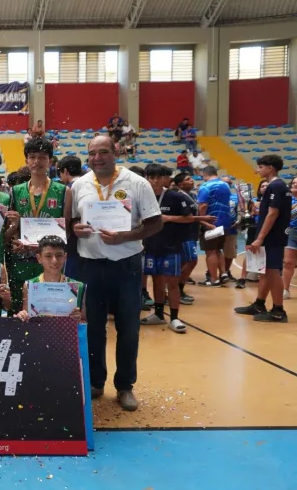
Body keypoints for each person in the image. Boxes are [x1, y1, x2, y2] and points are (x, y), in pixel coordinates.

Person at [71, 134, 162, 411]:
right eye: (92, 153)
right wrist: (76, 227)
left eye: (103, 152)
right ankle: (96, 382)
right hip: (91, 265)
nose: (97, 158)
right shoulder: (79, 185)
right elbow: (74, 219)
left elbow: (155, 223)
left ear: (116, 152)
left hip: (126, 266)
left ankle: (125, 386)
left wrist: (126, 236)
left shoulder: (137, 183)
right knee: (94, 328)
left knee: (129, 329)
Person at [140, 164, 212, 334]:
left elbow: (189, 218)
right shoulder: (143, 197)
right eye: (151, 177)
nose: (155, 180)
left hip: (171, 246)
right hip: (150, 246)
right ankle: (158, 314)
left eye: (159, 177)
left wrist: (167, 218)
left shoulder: (175, 196)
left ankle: (174, 317)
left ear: (166, 178)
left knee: (171, 282)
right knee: (156, 281)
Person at [5, 138, 70, 314]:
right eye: (32, 157)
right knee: (21, 312)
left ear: (50, 160)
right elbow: (11, 231)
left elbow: (67, 230)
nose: (37, 162)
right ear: (26, 160)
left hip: (51, 261)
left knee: (51, 310)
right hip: (22, 260)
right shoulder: (16, 191)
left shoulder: (63, 191)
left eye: (42, 157)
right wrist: (14, 239)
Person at [235, 155, 290, 322]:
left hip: (273, 237)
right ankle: (259, 304)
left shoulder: (276, 186)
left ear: (270, 168)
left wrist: (259, 238)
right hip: (273, 235)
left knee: (273, 272)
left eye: (260, 167)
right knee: (265, 272)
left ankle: (278, 311)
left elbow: (273, 213)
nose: (257, 170)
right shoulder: (278, 186)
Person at [15, 235, 84, 321]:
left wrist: (78, 318)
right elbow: (26, 318)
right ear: (39, 258)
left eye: (59, 255)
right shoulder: (29, 286)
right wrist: (22, 315)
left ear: (65, 257)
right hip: (38, 333)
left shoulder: (79, 287)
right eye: (48, 256)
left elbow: (84, 321)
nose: (54, 261)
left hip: (66, 333)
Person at [197, 166, 232, 287]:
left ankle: (214, 279)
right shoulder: (226, 185)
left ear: (204, 174)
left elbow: (202, 206)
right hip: (225, 222)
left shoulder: (205, 186)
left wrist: (201, 220)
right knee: (218, 249)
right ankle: (223, 274)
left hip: (211, 223)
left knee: (210, 252)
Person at [236, 179, 268, 289]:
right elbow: (248, 214)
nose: (264, 187)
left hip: (268, 229)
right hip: (254, 228)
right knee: (250, 251)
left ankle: (263, 278)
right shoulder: (252, 200)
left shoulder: (274, 200)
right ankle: (242, 278)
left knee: (266, 253)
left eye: (267, 186)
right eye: (262, 186)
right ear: (259, 189)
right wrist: (251, 212)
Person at [281, 177, 297, 298]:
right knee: (288, 262)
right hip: (291, 232)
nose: (295, 184)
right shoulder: (287, 199)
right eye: (293, 183)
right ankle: (285, 289)